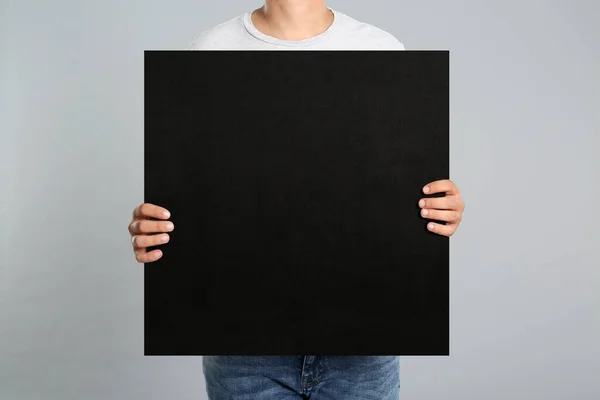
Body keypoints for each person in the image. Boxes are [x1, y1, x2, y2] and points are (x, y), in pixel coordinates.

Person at [128, 1, 465, 398]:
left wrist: (441, 209)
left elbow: (397, 187)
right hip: (243, 348)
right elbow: (198, 193)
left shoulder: (380, 49)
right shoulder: (210, 50)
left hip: (363, 344)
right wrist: (157, 227)